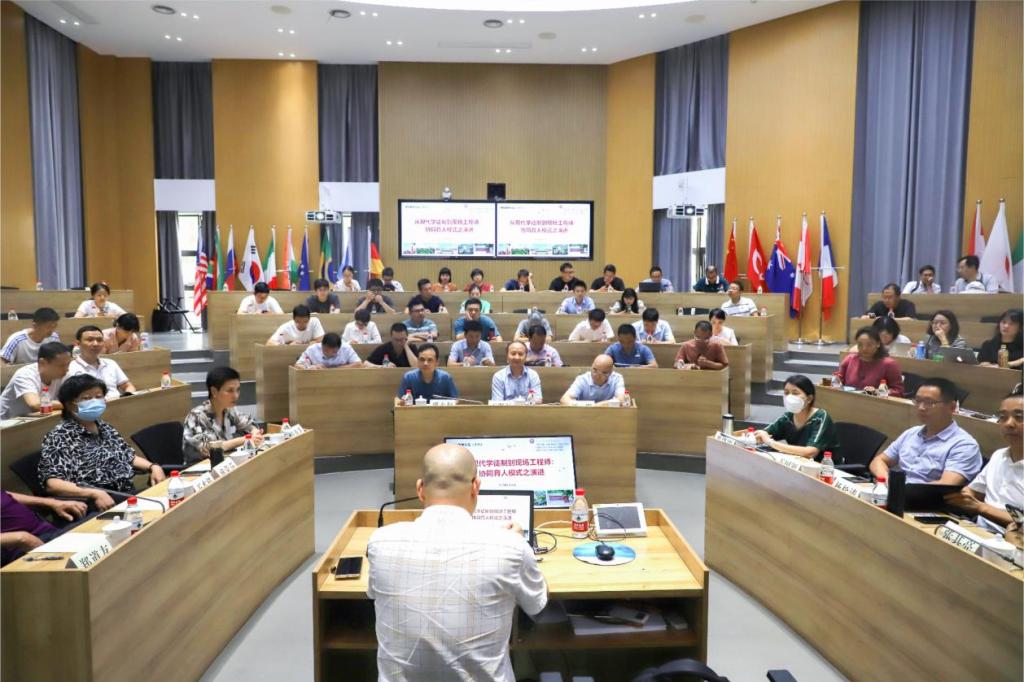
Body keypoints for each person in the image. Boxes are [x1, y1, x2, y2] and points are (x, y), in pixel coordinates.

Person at [366, 443, 546, 680]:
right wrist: (518, 545)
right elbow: (536, 605)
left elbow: (372, 594)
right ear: (475, 487)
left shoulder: (380, 542)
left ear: (420, 489)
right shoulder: (511, 546)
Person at [39, 375, 166, 510]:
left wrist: (153, 467)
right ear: (70, 404)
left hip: (125, 494)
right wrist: (94, 493)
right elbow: (53, 484)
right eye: (87, 398)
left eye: (99, 396)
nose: (95, 401)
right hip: (94, 503)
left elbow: (127, 455)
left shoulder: (103, 426)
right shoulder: (60, 436)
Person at [869, 378, 982, 485]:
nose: (921, 407)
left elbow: (946, 484)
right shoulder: (911, 433)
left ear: (952, 407)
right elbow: (879, 460)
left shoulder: (964, 445)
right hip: (895, 490)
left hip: (925, 497)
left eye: (929, 402)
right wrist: (887, 480)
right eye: (918, 401)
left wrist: (902, 490)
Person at [944, 387, 1023, 530]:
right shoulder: (999, 455)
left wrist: (981, 507)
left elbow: (1022, 522)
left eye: (1019, 417)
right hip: (980, 532)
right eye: (1003, 417)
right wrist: (963, 496)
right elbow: (973, 491)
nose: (1009, 424)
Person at [182, 366, 264, 462]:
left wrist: (255, 432)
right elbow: (208, 449)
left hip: (225, 463)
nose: (236, 396)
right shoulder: (196, 416)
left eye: (238, 390)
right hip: (200, 467)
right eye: (230, 391)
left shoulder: (229, 410)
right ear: (214, 391)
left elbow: (248, 424)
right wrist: (244, 439)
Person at [754, 375, 839, 460]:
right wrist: (760, 435)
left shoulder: (820, 417)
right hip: (798, 462)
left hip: (826, 466)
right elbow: (764, 434)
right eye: (786, 393)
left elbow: (810, 452)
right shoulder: (788, 417)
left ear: (809, 399)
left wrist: (770, 442)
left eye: (795, 393)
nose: (789, 397)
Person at [1, 491, 87, 566]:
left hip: (49, 533)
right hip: (23, 550)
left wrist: (52, 502)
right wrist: (22, 538)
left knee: (94, 524)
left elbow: (6, 495)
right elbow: (23, 539)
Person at [0, 342, 71, 419]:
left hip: (34, 419)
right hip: (8, 422)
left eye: (68, 364)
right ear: (42, 363)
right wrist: (66, 404)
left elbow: (75, 399)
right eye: (61, 366)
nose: (67, 369)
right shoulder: (25, 374)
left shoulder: (64, 374)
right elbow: (35, 404)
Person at [66, 326, 135, 398]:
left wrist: (127, 396)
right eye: (90, 340)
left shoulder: (111, 363)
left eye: (99, 340)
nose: (95, 344)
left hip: (117, 402)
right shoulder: (69, 368)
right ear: (77, 343)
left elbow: (128, 386)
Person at [836, 326, 904, 395]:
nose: (864, 348)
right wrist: (835, 381)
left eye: (869, 345)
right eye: (860, 345)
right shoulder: (850, 359)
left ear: (878, 344)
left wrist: (877, 392)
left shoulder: (889, 364)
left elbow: (898, 391)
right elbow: (838, 381)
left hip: (875, 400)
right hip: (849, 399)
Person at [394, 344, 458, 404]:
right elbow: (399, 399)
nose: (425, 363)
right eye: (422, 359)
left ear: (437, 362)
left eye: (430, 360)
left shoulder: (445, 378)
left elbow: (455, 400)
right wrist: (401, 402)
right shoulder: (409, 377)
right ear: (418, 361)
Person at [560, 354, 626, 405]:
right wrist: (590, 406)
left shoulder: (617, 378)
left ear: (611, 372)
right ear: (591, 366)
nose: (597, 376)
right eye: (595, 370)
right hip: (583, 414)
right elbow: (564, 400)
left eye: (604, 373)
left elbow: (621, 400)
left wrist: (597, 406)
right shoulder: (582, 379)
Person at [296, 333, 362, 369]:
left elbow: (358, 364)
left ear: (339, 347)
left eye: (334, 352)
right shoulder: (312, 349)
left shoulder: (346, 348)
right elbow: (297, 365)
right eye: (326, 351)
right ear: (322, 345)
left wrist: (332, 369)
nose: (329, 354)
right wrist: (309, 368)